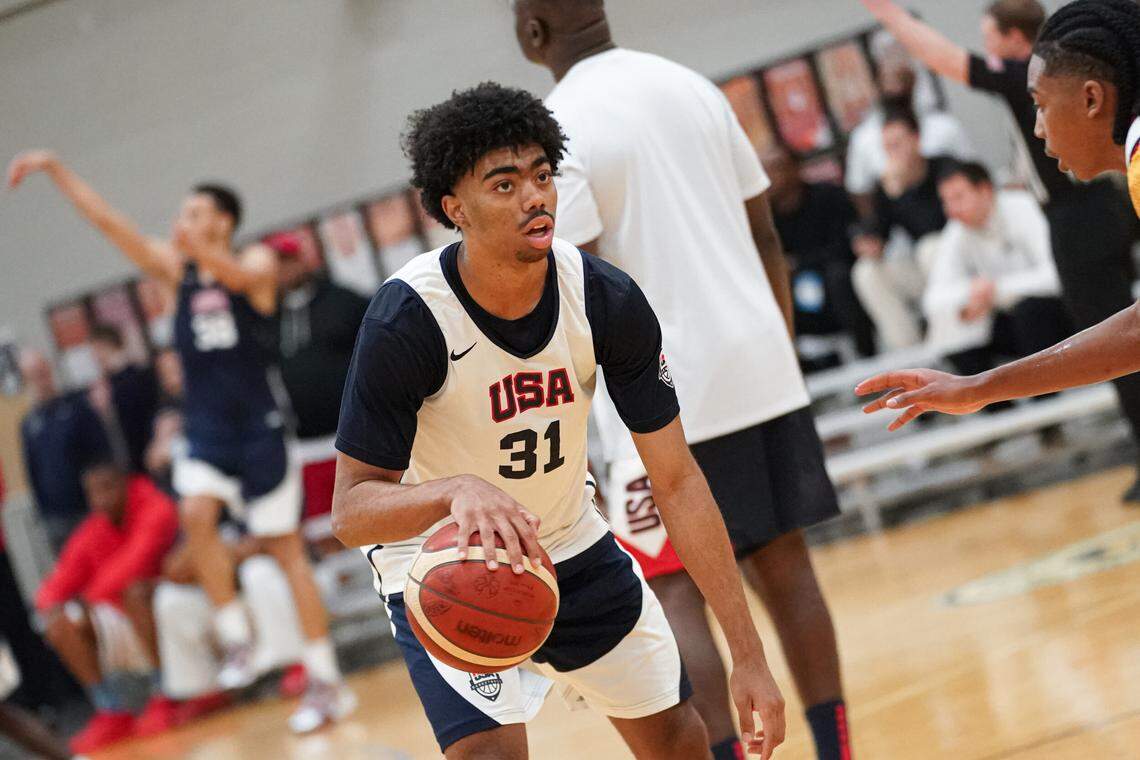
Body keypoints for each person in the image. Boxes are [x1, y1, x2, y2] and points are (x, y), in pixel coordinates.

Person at [333, 82, 786, 760]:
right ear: (455, 207)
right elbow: (352, 511)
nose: (535, 196)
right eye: (505, 184)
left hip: (567, 540)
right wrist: (454, 492)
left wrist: (749, 656)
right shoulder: (408, 321)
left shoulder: (604, 298)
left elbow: (678, 481)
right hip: (441, 561)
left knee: (678, 741)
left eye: (543, 176)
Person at [510, 4, 848, 758]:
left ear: (532, 32)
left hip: (661, 393)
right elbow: (765, 234)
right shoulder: (691, 85)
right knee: (786, 568)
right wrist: (774, 354)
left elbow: (580, 286)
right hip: (759, 362)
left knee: (672, 590)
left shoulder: (554, 130)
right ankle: (839, 751)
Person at [5, 153, 354, 732]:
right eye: (182, 214)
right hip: (209, 431)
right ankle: (236, 636)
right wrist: (55, 171)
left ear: (222, 219)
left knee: (287, 552)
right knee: (194, 510)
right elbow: (109, 223)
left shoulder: (254, 259)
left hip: (261, 430)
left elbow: (245, 281)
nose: (182, 220)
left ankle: (325, 681)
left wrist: (199, 247)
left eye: (194, 211)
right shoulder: (175, 273)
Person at [857, 0, 1140, 499]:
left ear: (1092, 97)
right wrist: (976, 388)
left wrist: (976, 388)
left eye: (1041, 104)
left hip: (1082, 220)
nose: (1036, 126)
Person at [34, 461, 178, 754]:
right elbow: (58, 581)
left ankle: (164, 694)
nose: (100, 499)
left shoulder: (157, 507)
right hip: (118, 614)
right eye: (92, 493)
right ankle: (111, 710)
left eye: (107, 488)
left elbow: (135, 566)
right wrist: (51, 604)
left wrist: (88, 599)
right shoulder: (94, 527)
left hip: (167, 610)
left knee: (135, 594)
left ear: (126, 483)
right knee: (59, 623)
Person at [138, 532, 307, 736]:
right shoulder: (195, 509)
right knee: (170, 597)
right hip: (222, 604)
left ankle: (295, 664)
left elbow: (279, 544)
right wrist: (215, 553)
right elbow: (174, 569)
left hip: (262, 592)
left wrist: (215, 553)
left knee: (258, 571)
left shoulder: (252, 500)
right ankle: (203, 692)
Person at [924, 161, 1071, 372]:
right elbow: (933, 299)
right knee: (950, 326)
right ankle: (996, 403)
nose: (951, 210)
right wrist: (971, 294)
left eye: (958, 198)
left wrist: (996, 289)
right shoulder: (956, 230)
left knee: (1030, 311)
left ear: (984, 190)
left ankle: (1045, 394)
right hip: (1005, 320)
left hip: (1054, 313)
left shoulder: (1021, 206)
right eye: (946, 201)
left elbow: (1057, 275)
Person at [268, 233, 369, 537]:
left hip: (355, 431)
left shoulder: (344, 300)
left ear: (303, 259)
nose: (284, 270)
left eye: (288, 260)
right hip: (306, 441)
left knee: (369, 511)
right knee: (327, 528)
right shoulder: (271, 314)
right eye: (277, 264)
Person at [851, 104, 956, 350]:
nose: (893, 153)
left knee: (930, 247)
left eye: (898, 143)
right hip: (923, 269)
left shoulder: (944, 168)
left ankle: (949, 337)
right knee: (866, 271)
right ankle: (908, 351)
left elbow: (939, 225)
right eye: (887, 147)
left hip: (957, 259)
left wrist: (904, 194)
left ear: (916, 139)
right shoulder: (888, 185)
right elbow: (877, 237)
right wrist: (869, 240)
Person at [846, 31, 976, 216]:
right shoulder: (863, 139)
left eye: (901, 61)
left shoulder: (945, 127)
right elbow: (860, 192)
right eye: (887, 63)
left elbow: (972, 173)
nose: (895, 74)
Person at [765, 145, 876, 360]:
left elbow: (845, 244)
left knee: (838, 277)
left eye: (775, 168)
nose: (769, 177)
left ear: (795, 169)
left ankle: (866, 353)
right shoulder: (767, 220)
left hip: (835, 272)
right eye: (764, 171)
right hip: (797, 283)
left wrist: (799, 264)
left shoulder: (828, 196)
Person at [18, 349, 112, 551]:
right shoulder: (30, 424)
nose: (40, 379)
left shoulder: (77, 408)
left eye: (42, 372)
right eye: (33, 375)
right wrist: (43, 514)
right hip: (56, 519)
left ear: (49, 371)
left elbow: (102, 454)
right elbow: (32, 470)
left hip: (87, 511)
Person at [88, 324, 159, 474]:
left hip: (148, 459)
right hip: (134, 463)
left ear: (103, 346)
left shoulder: (132, 379)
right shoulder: (112, 384)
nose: (94, 358)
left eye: (95, 351)